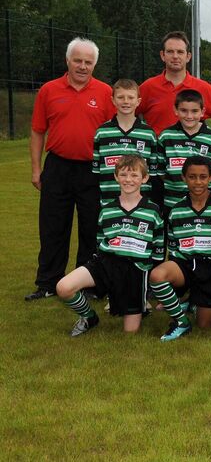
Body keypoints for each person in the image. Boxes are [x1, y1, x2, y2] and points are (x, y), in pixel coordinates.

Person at [27, 37, 115, 301]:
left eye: (88, 62)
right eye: (78, 60)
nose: (82, 66)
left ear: (95, 65)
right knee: (53, 226)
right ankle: (47, 283)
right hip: (58, 166)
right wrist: (35, 169)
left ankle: (87, 284)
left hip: (94, 169)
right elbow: (37, 131)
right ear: (67, 61)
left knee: (91, 228)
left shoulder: (104, 92)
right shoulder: (49, 90)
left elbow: (115, 131)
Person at [55, 154, 164, 335]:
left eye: (134, 175)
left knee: (131, 332)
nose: (128, 180)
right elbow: (100, 240)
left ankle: (135, 302)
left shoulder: (152, 210)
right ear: (115, 176)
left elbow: (158, 248)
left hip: (135, 270)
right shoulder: (107, 209)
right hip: (106, 263)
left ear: (144, 178)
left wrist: (148, 276)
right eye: (123, 174)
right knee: (64, 287)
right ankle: (89, 316)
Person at [149, 156, 211, 341]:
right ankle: (181, 321)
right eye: (192, 176)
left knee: (205, 327)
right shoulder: (176, 210)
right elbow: (173, 248)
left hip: (210, 267)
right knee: (157, 275)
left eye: (203, 176)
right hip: (184, 266)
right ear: (184, 178)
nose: (198, 182)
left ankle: (193, 301)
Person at [137, 31, 211, 138]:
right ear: (162, 55)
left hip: (191, 153)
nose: (175, 56)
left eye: (180, 52)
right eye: (170, 51)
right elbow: (122, 112)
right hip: (158, 154)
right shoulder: (148, 87)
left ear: (188, 56)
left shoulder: (203, 88)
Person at [156, 89, 211, 211]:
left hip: (205, 205)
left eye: (194, 111)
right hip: (173, 203)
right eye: (184, 110)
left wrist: (199, 187)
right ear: (175, 110)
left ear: (202, 112)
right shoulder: (166, 136)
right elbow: (161, 172)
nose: (189, 116)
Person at [93, 79, 159, 206]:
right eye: (121, 97)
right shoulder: (102, 132)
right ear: (113, 100)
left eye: (130, 97)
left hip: (141, 204)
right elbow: (96, 172)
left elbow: (153, 173)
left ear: (138, 101)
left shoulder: (148, 133)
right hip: (109, 202)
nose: (126, 101)